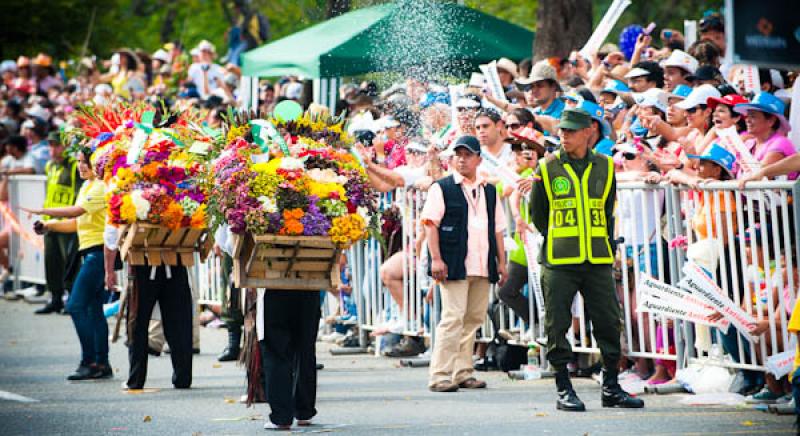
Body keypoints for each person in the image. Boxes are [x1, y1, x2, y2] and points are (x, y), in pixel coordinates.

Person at [530, 109, 643, 411]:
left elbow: (607, 212)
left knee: (608, 321)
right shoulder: (547, 165)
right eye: (562, 131)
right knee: (557, 323)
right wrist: (560, 236)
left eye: (570, 131)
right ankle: (563, 387)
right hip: (558, 259)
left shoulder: (606, 166)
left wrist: (606, 248)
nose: (563, 136)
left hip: (597, 258)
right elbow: (538, 215)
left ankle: (611, 386)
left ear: (588, 132)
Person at [422, 135, 508, 392]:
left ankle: (463, 371)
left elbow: (499, 230)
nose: (462, 159)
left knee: (472, 319)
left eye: (467, 154)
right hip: (454, 264)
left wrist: (502, 263)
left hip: (482, 264)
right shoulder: (442, 187)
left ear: (479, 159)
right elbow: (429, 224)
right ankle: (439, 375)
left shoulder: (489, 191)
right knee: (452, 318)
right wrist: (436, 259)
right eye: (458, 154)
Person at [24, 146, 111, 380]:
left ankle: (90, 361)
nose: (82, 166)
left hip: (98, 253)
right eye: (80, 161)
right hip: (90, 251)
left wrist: (43, 210)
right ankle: (101, 363)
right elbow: (76, 223)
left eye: (86, 162)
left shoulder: (101, 186)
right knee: (93, 309)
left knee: (75, 305)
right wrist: (49, 225)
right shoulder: (87, 186)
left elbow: (76, 212)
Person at [36, 132, 81, 314]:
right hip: (49, 224)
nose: (52, 149)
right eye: (50, 145)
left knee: (69, 263)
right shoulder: (49, 166)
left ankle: (72, 300)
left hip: (67, 223)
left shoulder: (74, 167)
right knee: (51, 263)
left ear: (65, 147)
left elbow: (79, 195)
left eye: (56, 145)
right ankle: (55, 299)